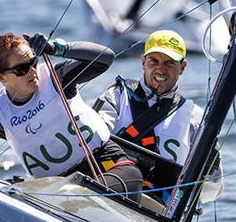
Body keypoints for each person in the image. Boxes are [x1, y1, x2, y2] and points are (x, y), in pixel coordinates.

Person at [0, 32, 143, 201]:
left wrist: (57, 48)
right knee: (68, 199)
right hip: (60, 190)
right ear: (3, 77)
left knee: (78, 198)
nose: (33, 71)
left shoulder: (56, 78)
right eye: (22, 69)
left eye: (33, 62)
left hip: (111, 166)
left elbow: (106, 57)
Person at [93, 29, 222, 203]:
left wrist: (210, 162)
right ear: (143, 62)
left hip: (159, 212)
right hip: (107, 192)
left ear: (182, 67)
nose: (160, 69)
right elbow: (91, 140)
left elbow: (211, 190)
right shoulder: (117, 95)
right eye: (154, 61)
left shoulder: (196, 118)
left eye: (169, 63)